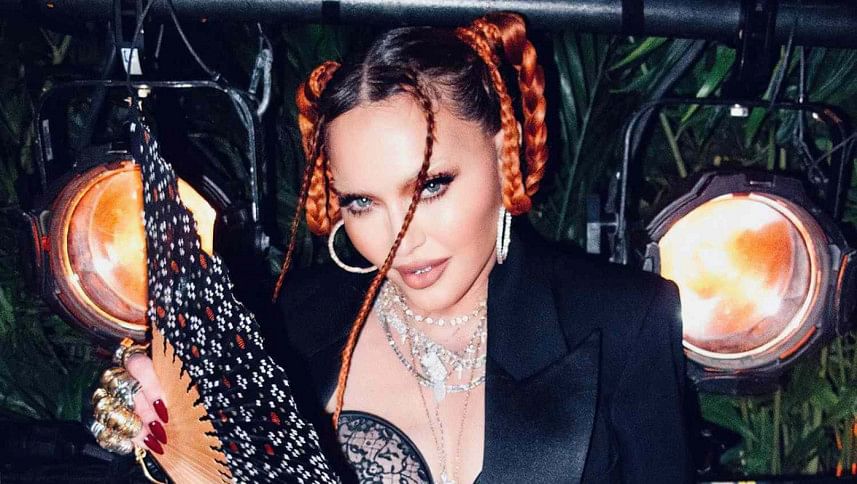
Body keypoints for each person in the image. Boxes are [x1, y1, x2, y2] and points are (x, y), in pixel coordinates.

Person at [91, 12, 694, 483]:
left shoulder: (626, 321)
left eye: (430, 186)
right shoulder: (284, 325)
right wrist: (154, 430)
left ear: (502, 149)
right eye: (361, 203)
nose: (399, 236)